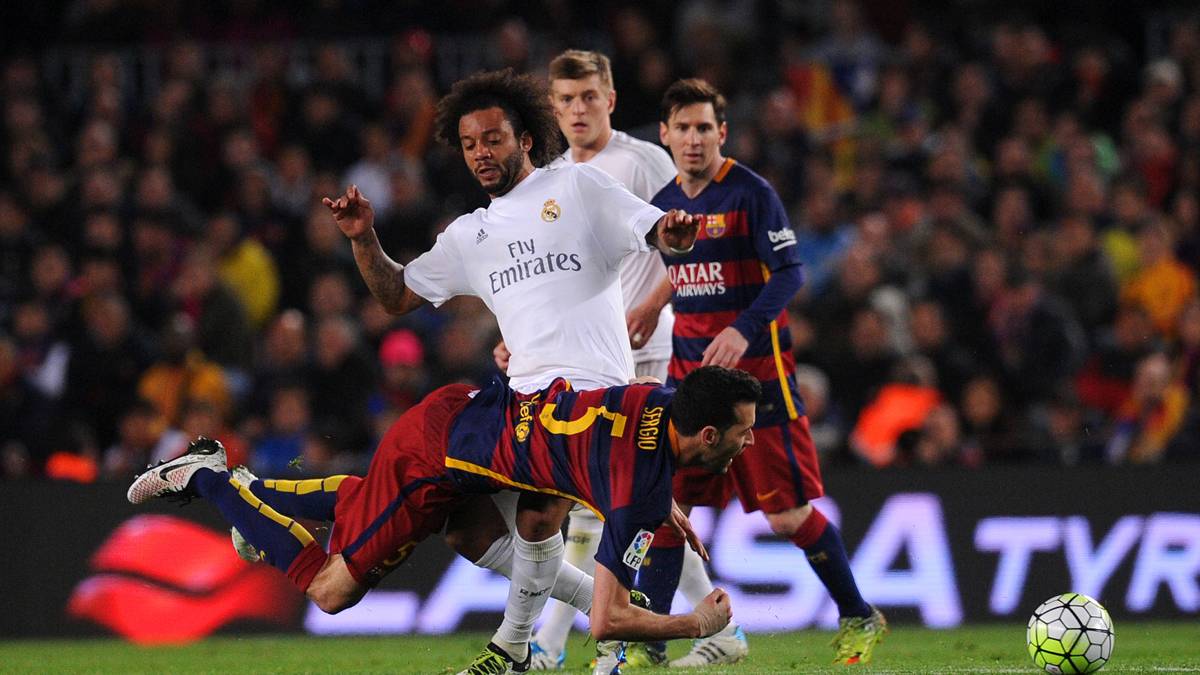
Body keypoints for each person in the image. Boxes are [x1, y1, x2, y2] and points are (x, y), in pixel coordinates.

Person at [322, 68, 701, 674]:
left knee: (538, 514)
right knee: (466, 531)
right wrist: (364, 238)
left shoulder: (578, 188)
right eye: (470, 144)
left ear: (525, 139)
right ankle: (608, 627)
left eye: (493, 138)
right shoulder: (470, 234)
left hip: (594, 396)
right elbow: (395, 296)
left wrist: (673, 233)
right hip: (522, 403)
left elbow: (652, 228)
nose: (481, 153)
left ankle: (520, 649)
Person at [126, 366, 754, 672]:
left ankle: (259, 492)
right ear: (704, 432)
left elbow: (636, 422)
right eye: (744, 432)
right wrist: (695, 622)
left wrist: (660, 497)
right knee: (331, 590)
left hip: (466, 411)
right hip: (433, 462)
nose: (748, 442)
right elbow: (610, 620)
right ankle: (209, 476)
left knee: (472, 534)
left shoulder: (658, 400)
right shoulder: (635, 489)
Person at [628, 78, 886, 666]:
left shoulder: (750, 193)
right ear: (664, 135)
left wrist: (742, 328)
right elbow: (692, 268)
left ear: (721, 133)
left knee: (786, 515)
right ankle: (655, 644)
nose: (693, 140)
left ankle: (857, 614)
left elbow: (789, 273)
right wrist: (649, 305)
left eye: (704, 129)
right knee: (669, 506)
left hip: (758, 385)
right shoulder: (667, 199)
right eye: (682, 129)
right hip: (690, 383)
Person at [508, 49, 677, 671]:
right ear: (552, 109)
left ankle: (619, 642)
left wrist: (651, 306)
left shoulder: (643, 161)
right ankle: (594, 639)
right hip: (585, 364)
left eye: (588, 97)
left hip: (650, 353)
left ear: (610, 98)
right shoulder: (551, 178)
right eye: (566, 101)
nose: (578, 110)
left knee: (631, 501)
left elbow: (685, 246)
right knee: (588, 502)